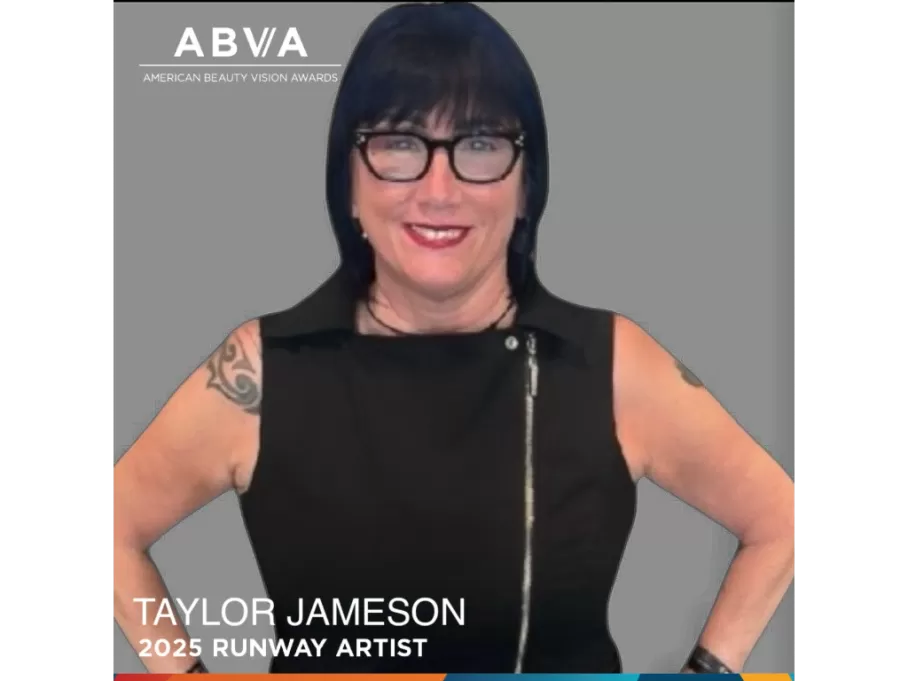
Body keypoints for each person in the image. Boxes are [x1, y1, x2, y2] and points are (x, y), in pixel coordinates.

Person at [112, 2, 795, 674]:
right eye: (400, 142)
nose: (439, 190)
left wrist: (711, 671)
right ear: (348, 181)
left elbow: (779, 516)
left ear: (527, 186)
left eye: (479, 144)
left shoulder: (608, 364)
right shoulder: (263, 373)